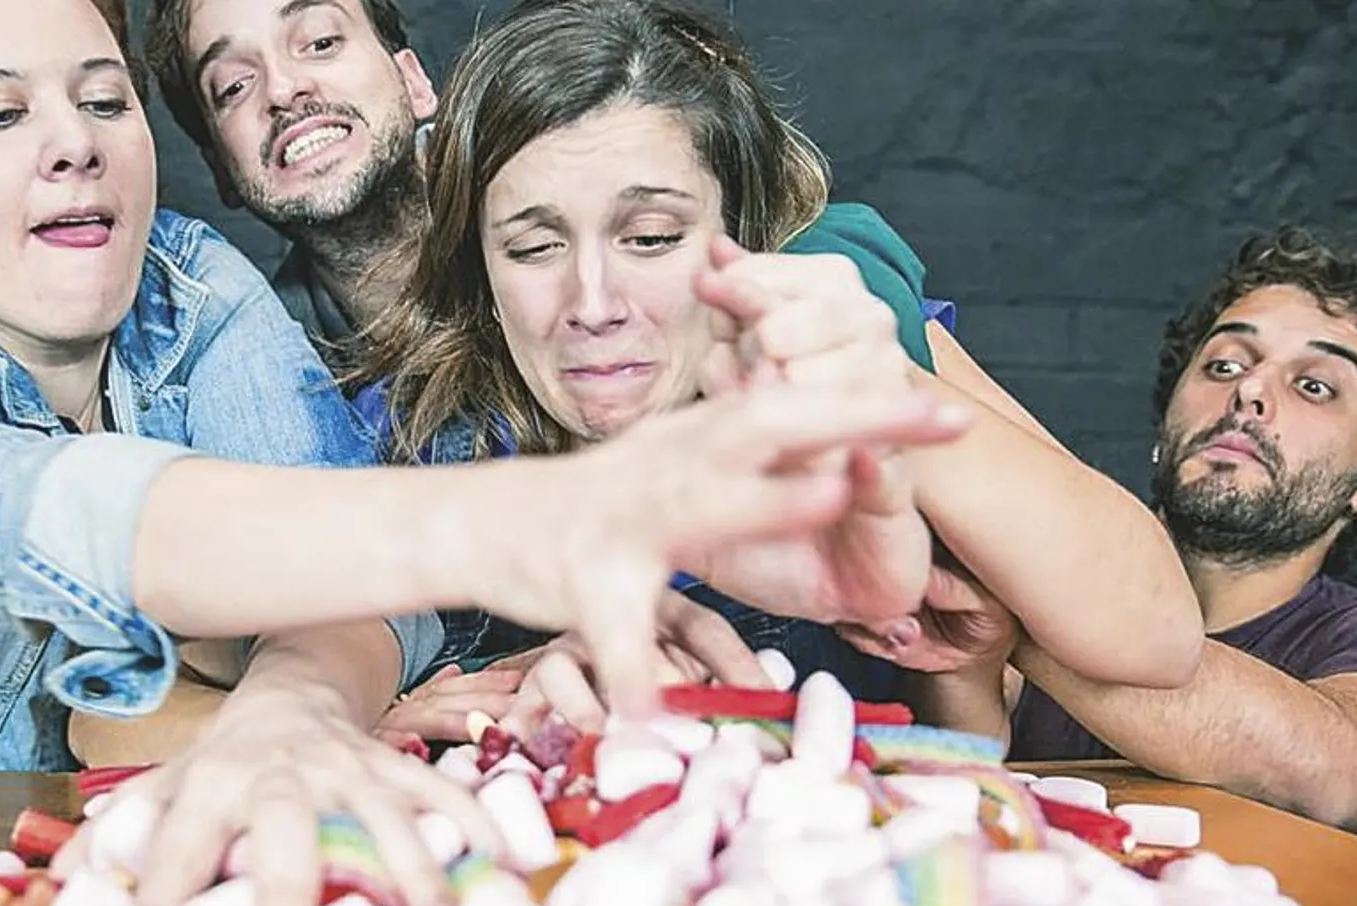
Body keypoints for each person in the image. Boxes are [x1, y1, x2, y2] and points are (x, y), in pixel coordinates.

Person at [0, 0, 971, 906]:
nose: (72, 144)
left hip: (259, 835)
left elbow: (346, 601)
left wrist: (298, 705)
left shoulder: (201, 288)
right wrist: (533, 521)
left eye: (103, 99)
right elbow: (50, 522)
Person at [143, 0, 1203, 737]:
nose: (594, 304)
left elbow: (1151, 634)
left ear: (735, 236)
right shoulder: (416, 428)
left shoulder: (822, 332)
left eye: (650, 237)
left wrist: (877, 394)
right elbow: (230, 660)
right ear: (479, 256)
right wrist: (362, 717)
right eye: (534, 245)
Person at [908, 227, 1357, 842]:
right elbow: (955, 787)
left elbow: (1337, 774)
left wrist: (1013, 577)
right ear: (1166, 427)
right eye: (1223, 365)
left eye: (1313, 385)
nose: (1249, 391)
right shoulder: (1015, 603)